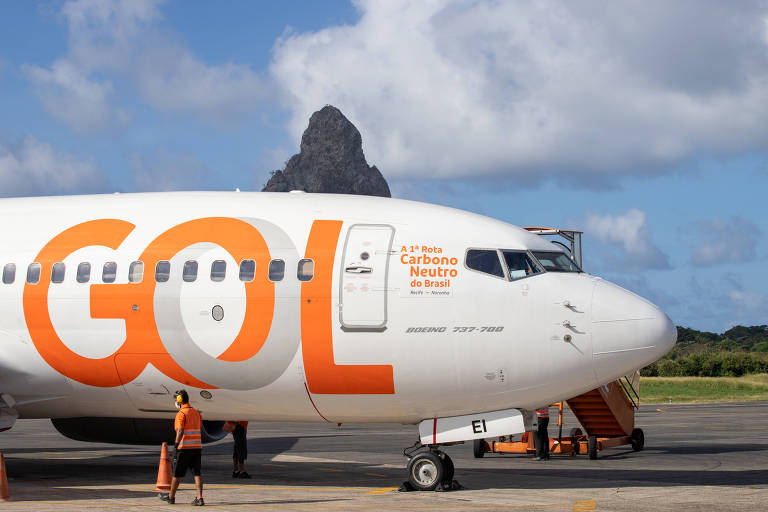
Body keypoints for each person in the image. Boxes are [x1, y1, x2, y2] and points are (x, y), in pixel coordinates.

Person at [161, 390, 204, 506]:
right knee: (197, 473)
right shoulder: (196, 412)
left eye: (176, 399)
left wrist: (175, 445)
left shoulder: (181, 414)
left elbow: (180, 430)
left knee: (177, 473)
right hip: (197, 447)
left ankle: (171, 497)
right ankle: (200, 498)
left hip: (184, 448)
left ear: (179, 400)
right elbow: (198, 427)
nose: (175, 402)